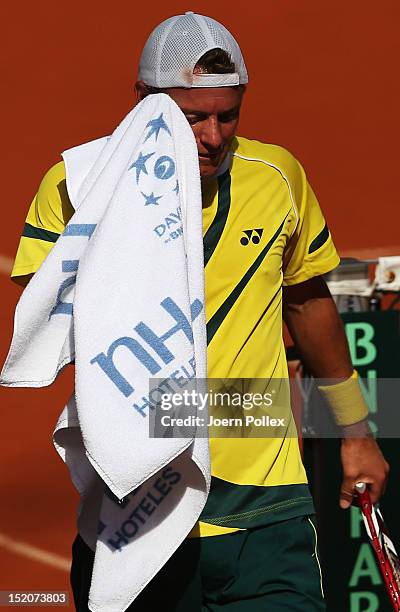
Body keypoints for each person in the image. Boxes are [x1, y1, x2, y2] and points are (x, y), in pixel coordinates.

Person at [10, 12, 389, 612]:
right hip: (138, 511)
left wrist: (356, 433)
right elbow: (49, 319)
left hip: (266, 505)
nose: (213, 137)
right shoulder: (78, 187)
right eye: (192, 118)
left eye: (228, 115)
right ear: (144, 103)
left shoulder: (276, 178)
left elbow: (307, 304)